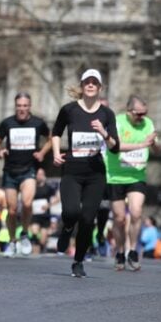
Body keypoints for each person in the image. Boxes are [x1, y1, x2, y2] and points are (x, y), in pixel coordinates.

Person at [51, 69, 119, 278]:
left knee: (89, 220)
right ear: (81, 86)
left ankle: (78, 261)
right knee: (71, 212)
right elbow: (55, 133)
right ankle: (67, 227)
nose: (90, 85)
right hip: (72, 170)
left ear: (100, 87)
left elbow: (115, 147)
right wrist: (55, 153)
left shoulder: (107, 114)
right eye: (87, 82)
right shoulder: (69, 110)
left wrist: (104, 133)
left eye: (94, 82)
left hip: (95, 174)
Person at [0, 92, 51, 257]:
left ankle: (24, 234)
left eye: (25, 106)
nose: (22, 109)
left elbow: (51, 138)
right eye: (19, 106)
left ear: (29, 106)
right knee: (11, 210)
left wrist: (42, 153)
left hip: (29, 170)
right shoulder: (8, 123)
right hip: (10, 170)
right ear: (15, 106)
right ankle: (12, 241)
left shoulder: (37, 123)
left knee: (26, 203)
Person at [104, 94, 158, 271]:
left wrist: (159, 145)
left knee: (136, 212)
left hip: (137, 175)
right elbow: (116, 146)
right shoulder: (117, 122)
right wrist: (143, 144)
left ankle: (132, 250)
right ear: (128, 111)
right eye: (138, 114)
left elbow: (154, 145)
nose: (142, 117)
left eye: (145, 113)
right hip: (116, 176)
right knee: (119, 218)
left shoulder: (148, 123)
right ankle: (119, 252)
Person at [30, 168, 59, 254]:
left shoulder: (48, 187)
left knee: (43, 238)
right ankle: (34, 251)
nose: (39, 176)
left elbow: (57, 198)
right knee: (34, 233)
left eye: (41, 174)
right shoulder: (32, 187)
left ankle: (40, 250)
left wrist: (48, 205)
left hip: (45, 215)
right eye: (37, 174)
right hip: (35, 214)